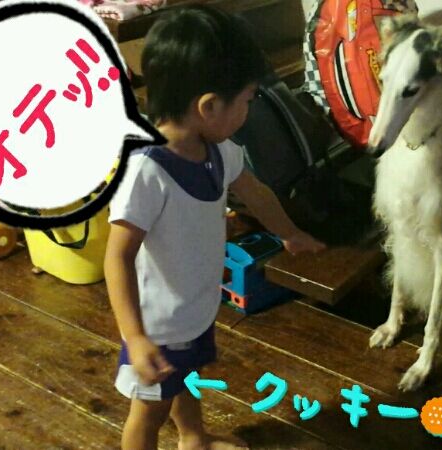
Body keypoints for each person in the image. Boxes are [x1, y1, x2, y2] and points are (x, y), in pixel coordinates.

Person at [104, 6, 326, 449]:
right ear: (208, 106)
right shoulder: (147, 172)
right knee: (148, 414)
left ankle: (193, 438)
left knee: (186, 379)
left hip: (194, 309)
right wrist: (136, 337)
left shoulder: (217, 150)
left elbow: (257, 193)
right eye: (247, 100)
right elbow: (117, 257)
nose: (249, 109)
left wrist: (289, 233)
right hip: (158, 326)